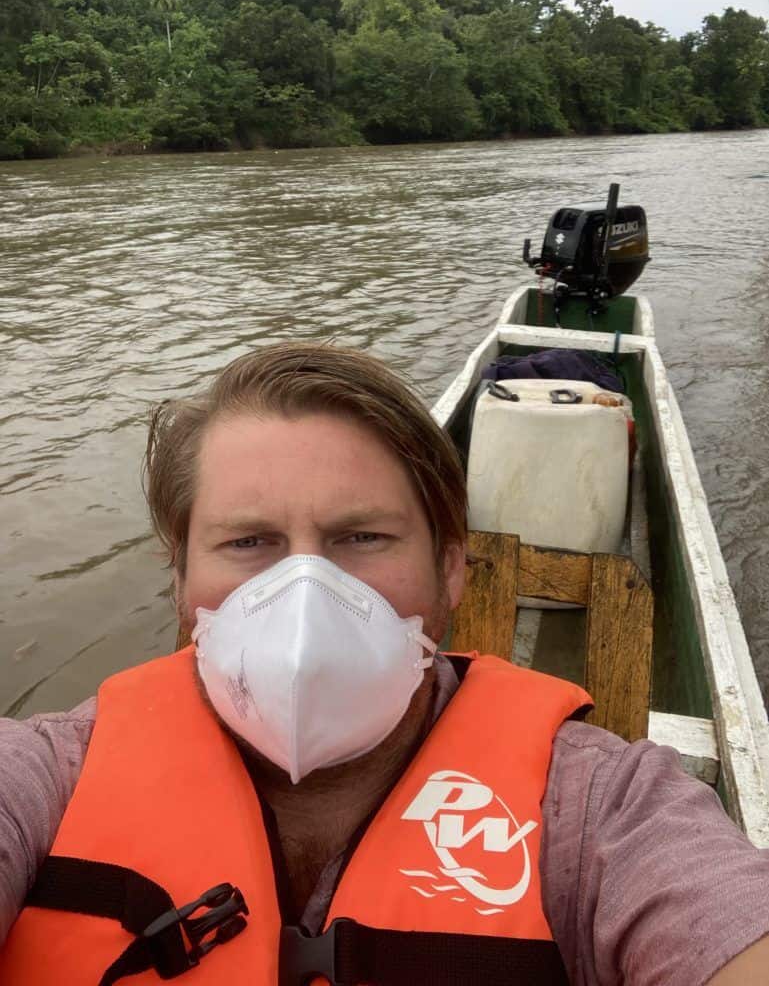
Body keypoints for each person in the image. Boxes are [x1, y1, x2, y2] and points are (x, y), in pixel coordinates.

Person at [1, 342, 769, 985]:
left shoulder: (599, 809)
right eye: (249, 543)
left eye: (361, 537)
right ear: (182, 585)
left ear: (451, 570)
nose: (304, 596)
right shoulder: (48, 776)